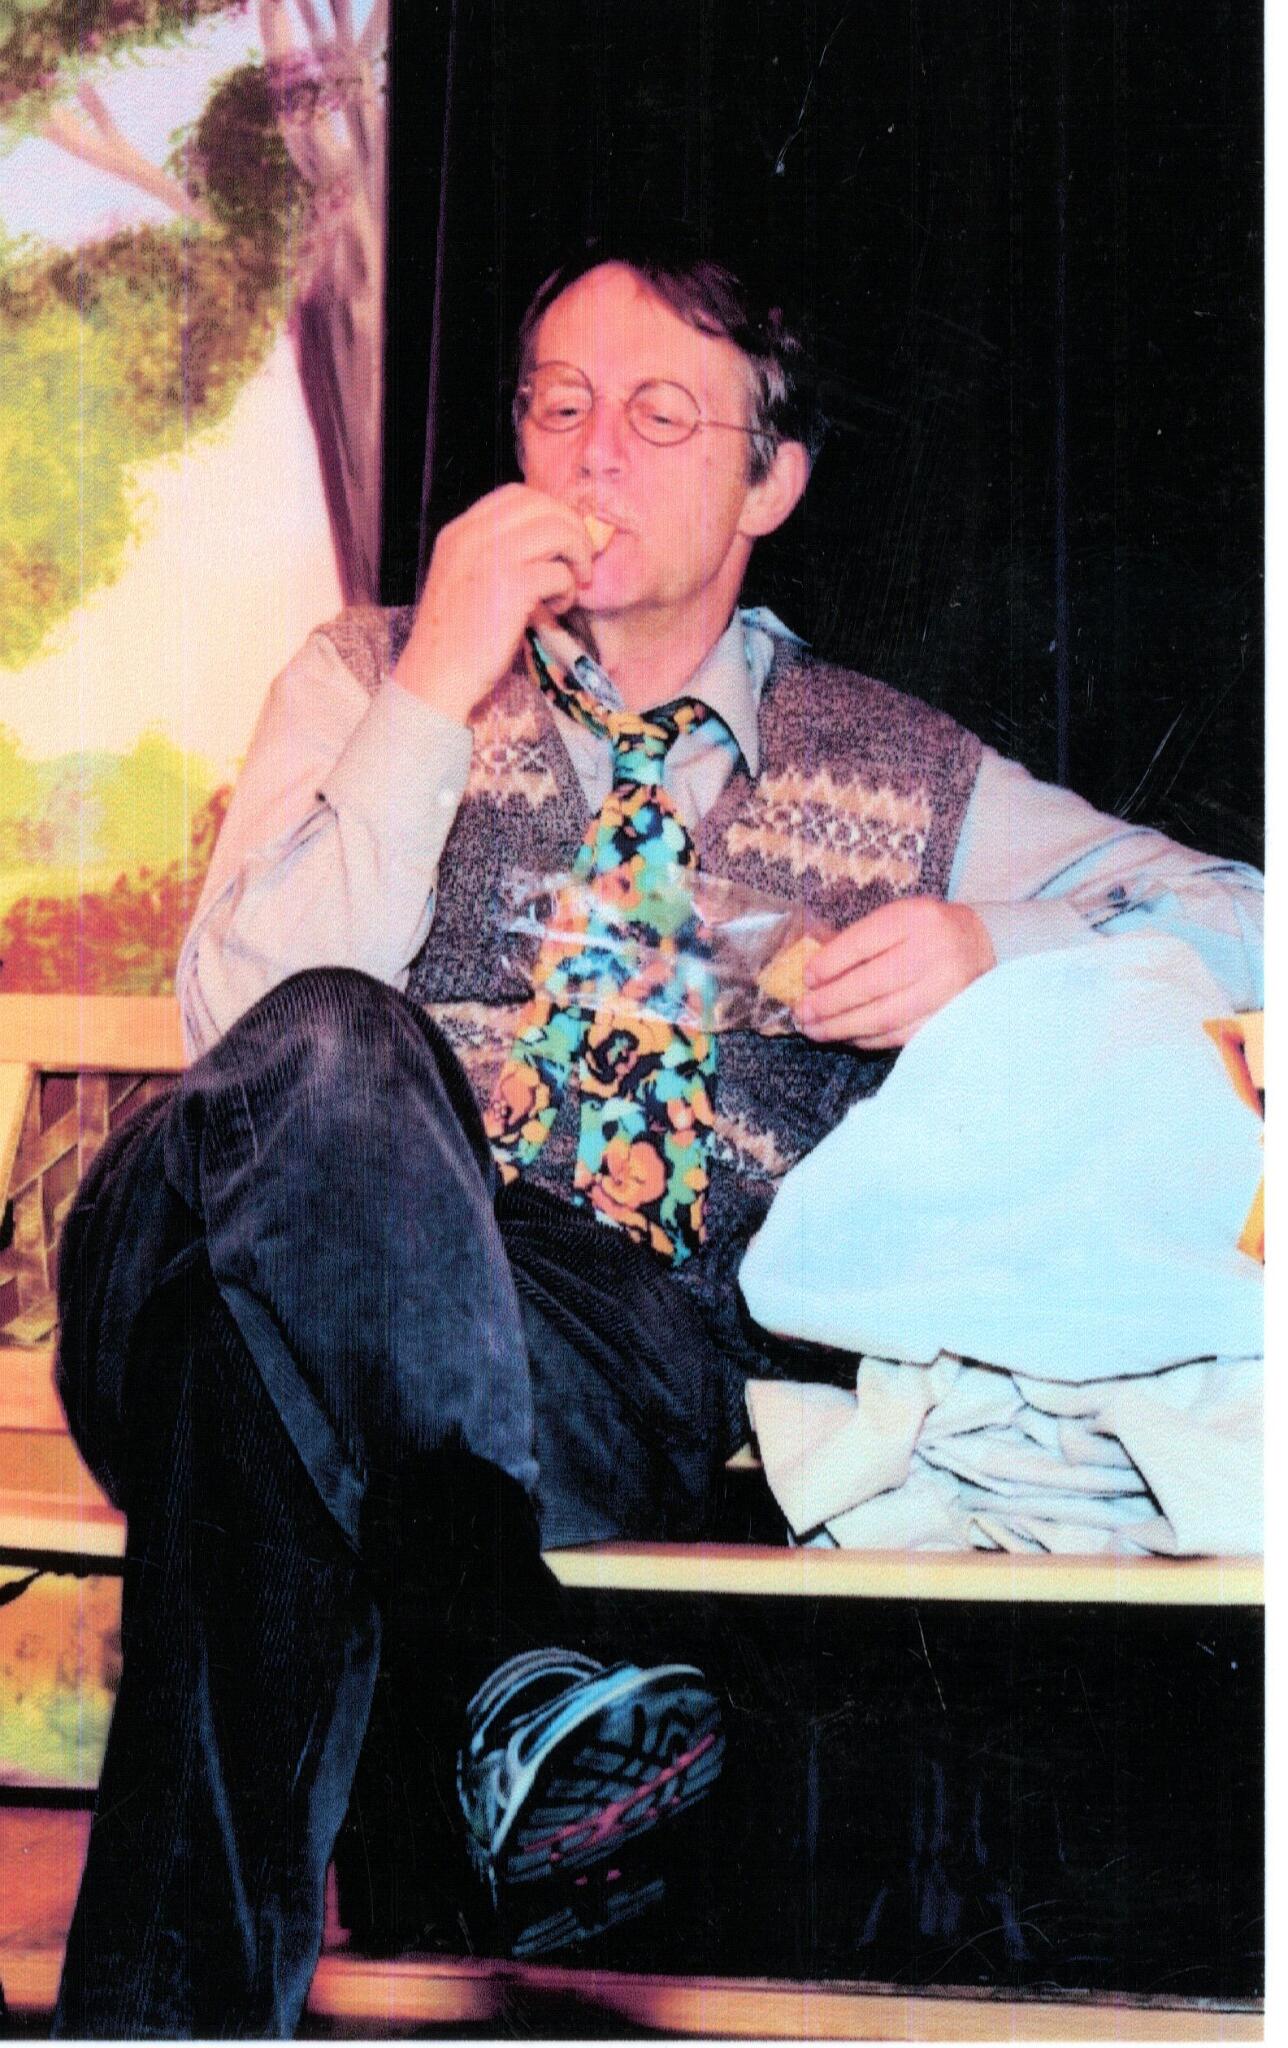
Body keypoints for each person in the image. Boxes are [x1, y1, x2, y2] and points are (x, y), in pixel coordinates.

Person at [52, 235, 1263, 2038]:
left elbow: (1248, 913)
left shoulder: (902, 771)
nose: (592, 452)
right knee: (336, 1045)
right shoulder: (369, 674)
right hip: (224, 1216)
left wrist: (994, 939)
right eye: (556, 406)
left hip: (590, 1353)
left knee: (255, 1394)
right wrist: (432, 688)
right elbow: (245, 1033)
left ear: (771, 482)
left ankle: (179, 1998)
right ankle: (492, 1640)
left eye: (659, 415)